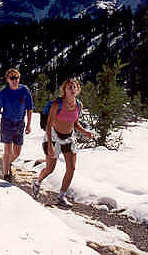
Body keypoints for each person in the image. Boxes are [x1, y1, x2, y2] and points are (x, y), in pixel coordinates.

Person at [32, 78, 94, 207]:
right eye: (69, 87)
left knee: (71, 168)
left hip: (69, 138)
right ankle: (37, 182)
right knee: (50, 169)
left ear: (78, 90)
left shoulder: (79, 105)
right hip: (54, 137)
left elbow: (75, 123)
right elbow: (49, 125)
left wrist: (85, 132)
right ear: (64, 90)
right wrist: (49, 145)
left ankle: (61, 196)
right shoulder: (57, 104)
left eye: (74, 87)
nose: (72, 89)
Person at [0, 68, 33, 183]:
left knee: (17, 152)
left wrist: (29, 124)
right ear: (7, 80)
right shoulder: (3, 93)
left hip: (20, 123)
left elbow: (29, 108)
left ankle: (7, 163)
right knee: (8, 151)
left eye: (16, 77)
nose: (15, 80)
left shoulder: (24, 90)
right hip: (7, 123)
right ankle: (6, 175)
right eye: (12, 78)